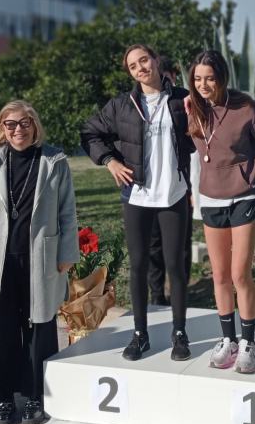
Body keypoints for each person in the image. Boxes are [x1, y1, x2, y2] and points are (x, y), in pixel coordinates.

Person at [0, 100, 78, 424]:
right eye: (10, 124)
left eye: (24, 123)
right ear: (2, 127)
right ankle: (4, 399)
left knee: (39, 329)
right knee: (3, 330)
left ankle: (36, 397)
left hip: (40, 258)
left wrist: (67, 253)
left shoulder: (54, 161)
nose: (18, 130)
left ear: (34, 125)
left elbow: (67, 211)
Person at [81, 44, 194, 362]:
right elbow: (90, 133)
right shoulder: (122, 105)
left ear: (156, 61)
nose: (140, 68)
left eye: (144, 60)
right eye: (133, 66)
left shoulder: (182, 99)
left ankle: (179, 333)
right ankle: (140, 334)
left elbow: (209, 117)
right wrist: (109, 161)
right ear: (130, 73)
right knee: (140, 266)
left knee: (176, 266)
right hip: (137, 197)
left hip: (173, 195)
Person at [188, 50, 255, 375]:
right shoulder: (192, 108)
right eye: (198, 78)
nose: (203, 84)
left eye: (210, 78)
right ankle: (228, 339)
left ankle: (248, 343)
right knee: (218, 275)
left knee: (239, 274)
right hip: (211, 199)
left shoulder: (245, 106)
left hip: (245, 196)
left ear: (221, 77)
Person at [148, 56, 193, 305]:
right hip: (150, 188)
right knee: (154, 244)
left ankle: (180, 290)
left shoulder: (184, 98)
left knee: (182, 243)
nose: (169, 79)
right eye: (166, 74)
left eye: (172, 75)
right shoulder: (140, 102)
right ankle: (156, 295)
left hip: (179, 184)